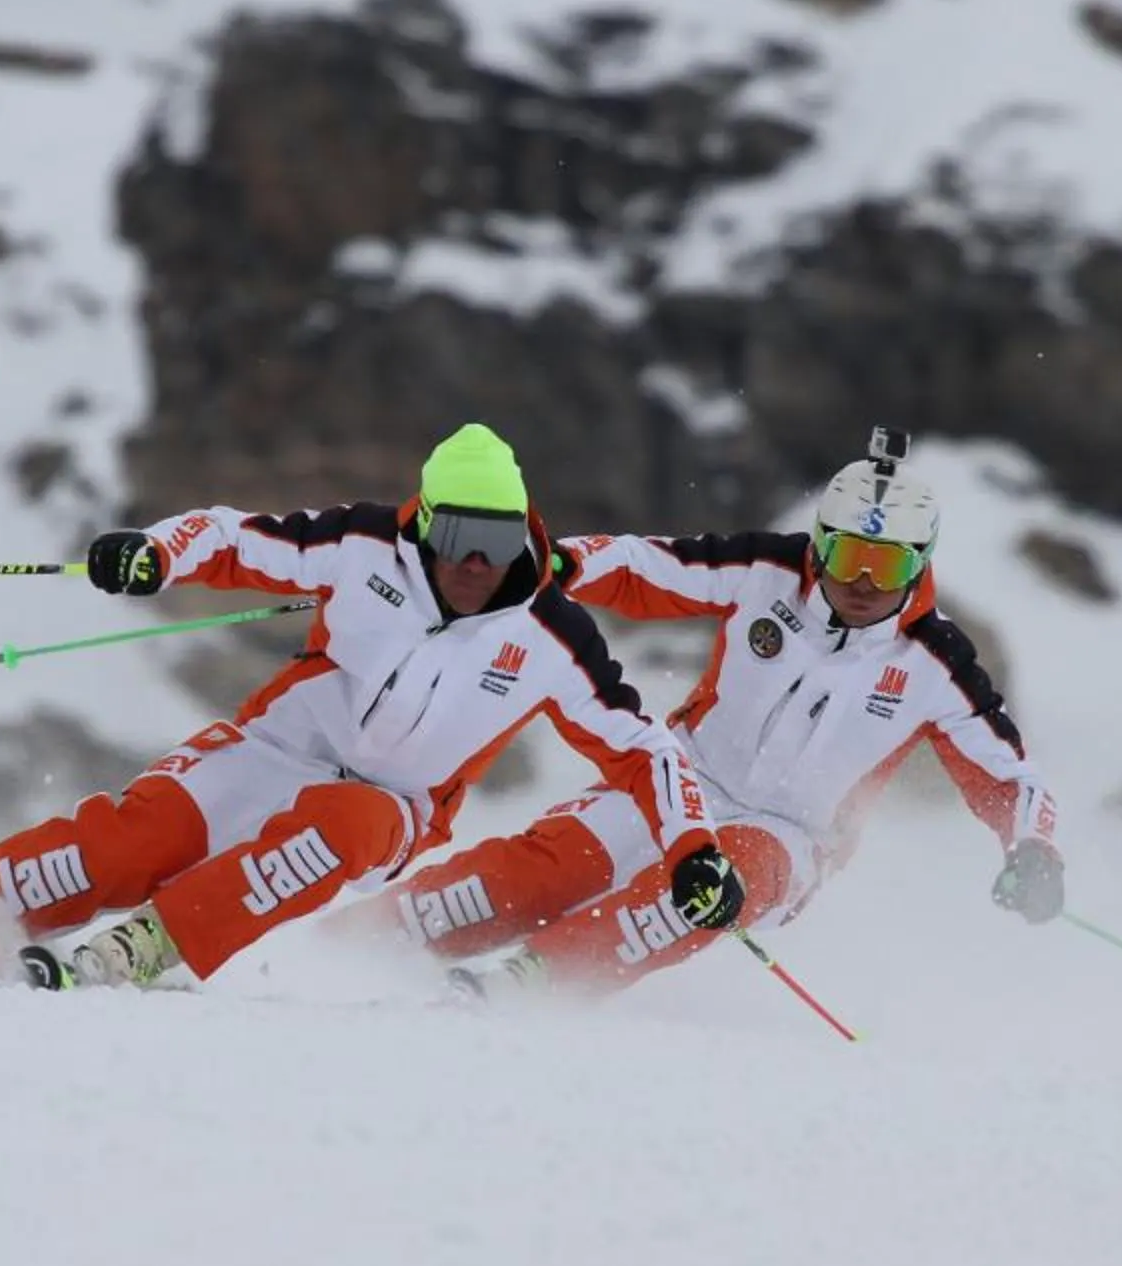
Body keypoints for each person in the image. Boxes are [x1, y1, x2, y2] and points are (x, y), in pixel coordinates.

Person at [0, 423, 746, 990]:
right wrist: (154, 551)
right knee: (133, 839)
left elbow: (643, 751)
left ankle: (158, 942)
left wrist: (694, 849)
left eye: (495, 542)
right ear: (426, 520)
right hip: (289, 736)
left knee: (345, 823)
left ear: (526, 532)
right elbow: (235, 536)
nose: (474, 566)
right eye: (457, 537)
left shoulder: (550, 630)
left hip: (395, 798)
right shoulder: (365, 549)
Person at [348, 428, 1064, 1000]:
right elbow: (642, 567)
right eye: (847, 556)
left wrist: (1033, 851)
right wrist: (555, 567)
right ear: (820, 543)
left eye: (890, 566)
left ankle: (535, 980)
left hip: (791, 836)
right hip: (680, 781)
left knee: (718, 879)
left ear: (921, 563)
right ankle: (348, 939)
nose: (864, 583)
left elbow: (1009, 778)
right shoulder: (766, 570)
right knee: (544, 872)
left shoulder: (935, 663)